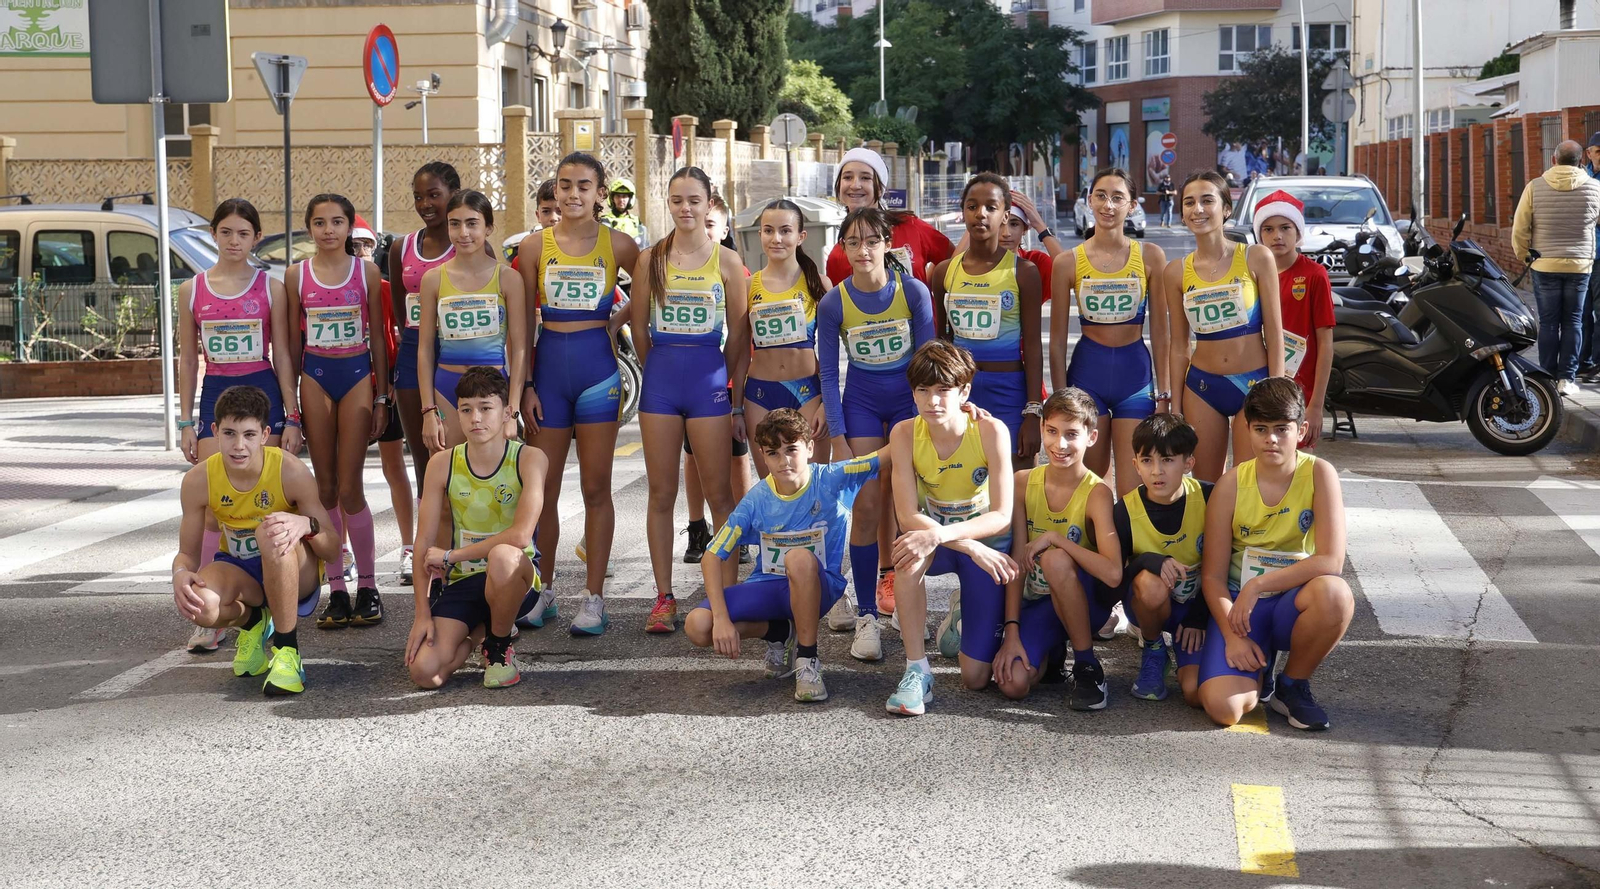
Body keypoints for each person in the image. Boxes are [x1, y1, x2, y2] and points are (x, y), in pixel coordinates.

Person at [517, 152, 641, 635]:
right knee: (541, 491)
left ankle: (593, 598)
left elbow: (653, 287)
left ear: (599, 192)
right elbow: (524, 323)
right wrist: (524, 385)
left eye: (583, 186)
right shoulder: (533, 247)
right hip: (547, 377)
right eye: (565, 185)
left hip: (598, 377)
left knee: (595, 488)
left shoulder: (621, 244)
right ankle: (542, 590)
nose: (572, 194)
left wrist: (617, 320)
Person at [175, 198, 301, 654]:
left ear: (254, 237)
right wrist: (186, 420)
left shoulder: (271, 287)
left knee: (272, 495)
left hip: (263, 391)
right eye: (225, 232)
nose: (234, 241)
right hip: (215, 397)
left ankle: (274, 594)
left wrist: (293, 413)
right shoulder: (192, 290)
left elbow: (283, 353)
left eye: (243, 233)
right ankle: (213, 608)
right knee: (212, 506)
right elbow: (189, 358)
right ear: (214, 235)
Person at [686, 409, 881, 702]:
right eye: (773, 453)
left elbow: (892, 451)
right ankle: (779, 633)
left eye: (792, 449)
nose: (784, 461)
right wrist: (723, 619)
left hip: (820, 586)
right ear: (763, 457)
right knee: (698, 626)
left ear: (810, 448)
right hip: (769, 586)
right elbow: (712, 556)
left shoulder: (832, 478)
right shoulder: (756, 500)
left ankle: (808, 660)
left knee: (798, 559)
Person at [630, 166, 751, 635]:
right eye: (677, 199)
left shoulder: (725, 262)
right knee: (661, 494)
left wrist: (731, 395)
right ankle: (663, 596)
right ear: (669, 202)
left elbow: (738, 337)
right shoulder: (649, 260)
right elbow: (638, 328)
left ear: (709, 204)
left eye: (694, 200)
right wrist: (656, 367)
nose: (685, 208)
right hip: (661, 380)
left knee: (720, 494)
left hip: (709, 382)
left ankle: (724, 596)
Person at [1195, 377, 1354, 730]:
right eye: (1261, 428)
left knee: (1335, 594)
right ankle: (1258, 665)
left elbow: (1331, 560)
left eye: (1282, 428)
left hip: (1292, 602)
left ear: (1301, 430)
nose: (1271, 439)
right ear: (1247, 430)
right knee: (1226, 710)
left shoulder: (1319, 473)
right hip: (1239, 609)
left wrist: (1259, 585)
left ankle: (1292, 685)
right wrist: (1233, 636)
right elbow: (1213, 577)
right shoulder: (1231, 484)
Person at [816, 206, 937, 661]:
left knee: (910, 511)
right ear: (842, 248)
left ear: (888, 244)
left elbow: (929, 363)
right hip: (862, 406)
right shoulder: (834, 303)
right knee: (866, 508)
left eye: (871, 241)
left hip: (908, 405)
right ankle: (866, 614)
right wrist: (841, 436)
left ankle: (911, 607)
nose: (862, 250)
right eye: (853, 242)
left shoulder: (913, 291)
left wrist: (929, 423)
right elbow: (830, 374)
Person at [171, 385, 340, 695]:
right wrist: (180, 575)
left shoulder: (290, 470)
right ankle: (253, 622)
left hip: (294, 571)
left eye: (248, 434)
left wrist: (305, 524)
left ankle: (288, 652)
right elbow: (186, 555)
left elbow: (331, 547)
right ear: (215, 431)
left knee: (270, 530)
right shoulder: (198, 480)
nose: (239, 446)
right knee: (202, 606)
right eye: (229, 433)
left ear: (264, 435)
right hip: (241, 570)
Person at [885, 341, 1017, 716]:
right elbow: (908, 514)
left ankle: (961, 614)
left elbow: (1003, 515)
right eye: (923, 390)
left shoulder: (990, 430)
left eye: (944, 390)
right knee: (908, 555)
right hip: (957, 543)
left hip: (980, 540)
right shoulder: (904, 434)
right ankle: (916, 670)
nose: (933, 401)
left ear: (965, 392)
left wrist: (948, 535)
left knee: (975, 678)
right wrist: (967, 544)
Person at [405, 366, 548, 690]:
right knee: (425, 673)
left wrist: (452, 555)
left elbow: (521, 536)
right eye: (466, 410)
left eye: (486, 408)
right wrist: (422, 614)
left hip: (515, 578)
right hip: (465, 581)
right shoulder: (442, 464)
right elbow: (423, 541)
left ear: (506, 412)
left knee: (502, 556)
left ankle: (499, 647)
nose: (475, 418)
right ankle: (479, 636)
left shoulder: (530, 458)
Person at [285, 193, 389, 630]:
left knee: (350, 488)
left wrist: (382, 396)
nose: (329, 230)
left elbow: (380, 339)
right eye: (320, 222)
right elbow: (290, 344)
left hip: (357, 377)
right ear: (309, 228)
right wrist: (291, 407)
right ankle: (337, 589)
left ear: (350, 227)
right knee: (324, 488)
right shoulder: (296, 275)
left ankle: (368, 584)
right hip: (316, 377)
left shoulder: (366, 271)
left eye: (337, 222)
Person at [990, 387, 1122, 708]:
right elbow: (1017, 562)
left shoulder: (1097, 493)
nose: (1059, 445)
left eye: (1071, 434)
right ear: (1041, 428)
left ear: (1091, 437)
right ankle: (1051, 652)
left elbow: (1114, 573)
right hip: (1040, 604)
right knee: (1013, 684)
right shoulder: (1023, 483)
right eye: (1052, 431)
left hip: (1085, 604)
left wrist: (1057, 538)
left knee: (1055, 560)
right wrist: (1012, 631)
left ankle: (1087, 665)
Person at [1053, 167, 1170, 497]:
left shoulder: (1150, 256)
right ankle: (1094, 548)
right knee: (1090, 484)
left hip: (1135, 374)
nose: (1108, 205)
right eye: (1101, 196)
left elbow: (1162, 332)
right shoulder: (1067, 262)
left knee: (1135, 486)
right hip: (1088, 373)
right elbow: (1057, 342)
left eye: (1118, 197)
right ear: (1089, 201)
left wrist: (1165, 392)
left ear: (1132, 205)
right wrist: (1060, 397)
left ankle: (1129, 549)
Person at [1163, 170, 1283, 482]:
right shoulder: (1175, 272)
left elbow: (1274, 332)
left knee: (1247, 482)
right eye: (1189, 203)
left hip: (1254, 384)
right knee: (1205, 485)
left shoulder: (1257, 257)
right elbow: (1179, 346)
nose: (1197, 209)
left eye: (1206, 200)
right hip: (1202, 388)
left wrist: (1278, 390)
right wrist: (1175, 406)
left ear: (1226, 208)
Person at [931, 172, 1044, 462]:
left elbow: (1032, 345)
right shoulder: (945, 272)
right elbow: (943, 342)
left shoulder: (1024, 272)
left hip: (1009, 391)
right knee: (963, 483)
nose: (980, 214)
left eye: (991, 207)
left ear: (1005, 216)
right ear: (963, 213)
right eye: (972, 206)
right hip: (960, 393)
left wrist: (1033, 410)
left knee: (1015, 487)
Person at [390, 162, 466, 565]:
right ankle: (426, 554)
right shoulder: (402, 247)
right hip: (413, 354)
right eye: (418, 196)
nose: (425, 204)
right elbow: (400, 314)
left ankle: (463, 547)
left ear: (453, 192)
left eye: (433, 194)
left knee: (464, 458)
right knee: (425, 458)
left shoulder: (470, 243)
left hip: (457, 355)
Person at [416, 189, 528, 452]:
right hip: (446, 389)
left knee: (492, 482)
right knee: (447, 479)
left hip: (494, 389)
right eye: (455, 223)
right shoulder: (432, 279)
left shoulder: (508, 278)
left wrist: (512, 411)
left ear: (488, 227)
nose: (463, 232)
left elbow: (520, 347)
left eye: (472, 223)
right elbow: (424, 349)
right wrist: (428, 411)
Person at [1117, 413, 1212, 704]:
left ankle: (1185, 655)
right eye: (1147, 461)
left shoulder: (1211, 497)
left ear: (1188, 463)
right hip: (1149, 605)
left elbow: (1223, 563)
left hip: (1196, 610)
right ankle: (1154, 648)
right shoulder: (1124, 510)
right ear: (1135, 465)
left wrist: (1199, 616)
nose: (1157, 471)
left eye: (1168, 460)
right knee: (1150, 582)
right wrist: (1149, 560)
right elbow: (1115, 578)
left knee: (1195, 693)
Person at [682, 192, 755, 566]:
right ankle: (698, 527)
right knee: (693, 457)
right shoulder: (677, 264)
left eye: (712, 224)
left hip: (727, 382)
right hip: (693, 382)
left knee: (736, 458)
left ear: (725, 229)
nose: (704, 229)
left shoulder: (735, 270)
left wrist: (737, 388)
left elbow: (743, 336)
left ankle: (738, 531)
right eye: (701, 222)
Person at [740, 200, 831, 469]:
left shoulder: (819, 283)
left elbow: (830, 351)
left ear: (800, 236)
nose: (776, 238)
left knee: (812, 480)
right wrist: (736, 409)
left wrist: (828, 403)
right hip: (759, 393)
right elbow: (741, 349)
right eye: (768, 231)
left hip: (807, 392)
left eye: (785, 230)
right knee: (772, 484)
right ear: (759, 236)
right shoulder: (747, 286)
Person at [353, 217, 416, 586]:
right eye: (352, 245)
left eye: (364, 244)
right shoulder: (325, 284)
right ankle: (343, 551)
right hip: (345, 390)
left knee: (395, 468)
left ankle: (409, 547)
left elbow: (399, 336)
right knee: (347, 476)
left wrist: (391, 382)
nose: (358, 252)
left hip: (385, 390)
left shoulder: (385, 287)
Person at [1511, 139, 1600, 397]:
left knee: (1549, 321)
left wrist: (1524, 255)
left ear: (1553, 160)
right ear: (1580, 161)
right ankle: (1567, 379)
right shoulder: (1594, 188)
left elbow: (1520, 227)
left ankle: (1547, 376)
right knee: (1573, 321)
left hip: (1544, 263)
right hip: (1580, 264)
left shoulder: (1534, 187)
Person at [1255, 190, 1335, 446]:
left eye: (1285, 227)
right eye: (1267, 229)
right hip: (1257, 382)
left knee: (1296, 470)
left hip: (1301, 391)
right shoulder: (1251, 275)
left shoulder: (1314, 275)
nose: (1276, 236)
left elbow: (1325, 343)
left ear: (1298, 232)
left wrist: (1316, 405)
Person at [824, 147, 953, 287]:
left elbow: (955, 261)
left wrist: (926, 289)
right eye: (847, 177)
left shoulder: (911, 226)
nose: (855, 185)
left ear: (880, 188)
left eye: (865, 178)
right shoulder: (837, 256)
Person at [1582, 134, 1600, 383]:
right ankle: (1584, 361)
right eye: (1597, 151)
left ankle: (1597, 362)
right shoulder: (1582, 178)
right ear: (1588, 153)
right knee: (1581, 312)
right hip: (1580, 253)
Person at [602, 176, 649, 248]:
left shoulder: (636, 222)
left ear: (630, 199)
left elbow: (644, 247)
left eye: (624, 196)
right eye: (618, 196)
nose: (621, 200)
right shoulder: (605, 221)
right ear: (612, 198)